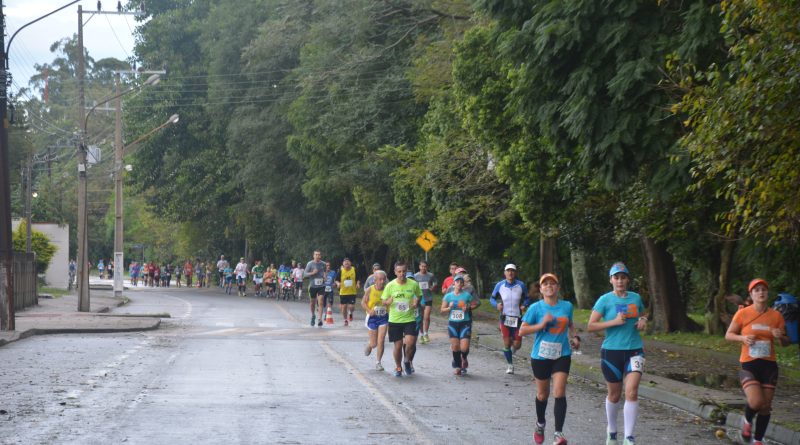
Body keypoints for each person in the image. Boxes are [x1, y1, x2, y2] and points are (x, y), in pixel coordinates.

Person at [587, 262, 648, 445]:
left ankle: (628, 437)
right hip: (611, 352)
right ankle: (612, 431)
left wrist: (643, 320)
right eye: (616, 277)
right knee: (614, 395)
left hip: (635, 350)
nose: (620, 281)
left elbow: (644, 314)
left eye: (623, 277)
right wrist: (612, 322)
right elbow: (591, 326)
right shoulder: (604, 300)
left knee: (632, 391)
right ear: (611, 280)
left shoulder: (635, 298)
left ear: (628, 280)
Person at [725, 278, 790, 445]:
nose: (761, 292)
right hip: (749, 363)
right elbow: (729, 335)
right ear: (751, 295)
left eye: (763, 289)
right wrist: (743, 338)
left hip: (769, 365)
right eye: (757, 290)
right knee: (756, 402)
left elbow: (786, 342)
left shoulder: (776, 316)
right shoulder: (743, 313)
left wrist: (780, 336)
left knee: (766, 406)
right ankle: (746, 422)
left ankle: (758, 440)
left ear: (767, 293)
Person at [520, 273, 579, 445]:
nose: (549, 286)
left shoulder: (567, 306)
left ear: (558, 287)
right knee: (542, 394)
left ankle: (558, 434)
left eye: (552, 283)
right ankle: (540, 424)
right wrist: (541, 325)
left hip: (562, 355)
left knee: (559, 392)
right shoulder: (535, 308)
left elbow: (570, 324)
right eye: (545, 284)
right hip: (540, 357)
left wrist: (575, 337)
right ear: (541, 289)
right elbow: (522, 331)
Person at [381, 261, 422, 377]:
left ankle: (407, 361)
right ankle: (398, 367)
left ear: (407, 270)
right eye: (399, 271)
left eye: (404, 271)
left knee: (410, 343)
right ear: (395, 272)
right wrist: (387, 302)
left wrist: (416, 301)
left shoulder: (413, 284)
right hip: (395, 320)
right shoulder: (390, 285)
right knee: (398, 346)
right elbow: (383, 300)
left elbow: (419, 295)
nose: (402, 274)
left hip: (409, 319)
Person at [490, 263, 530, 374]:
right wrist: (496, 305)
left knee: (517, 344)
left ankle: (510, 353)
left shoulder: (521, 285)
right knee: (507, 343)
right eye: (508, 271)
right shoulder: (500, 285)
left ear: (515, 273)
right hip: (505, 318)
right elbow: (492, 299)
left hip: (518, 318)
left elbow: (527, 298)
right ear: (505, 273)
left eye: (512, 271)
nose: (510, 273)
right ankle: (510, 365)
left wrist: (524, 305)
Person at [441, 274, 479, 376]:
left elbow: (475, 303)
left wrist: (468, 307)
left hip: (465, 323)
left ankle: (464, 358)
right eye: (457, 282)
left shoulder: (467, 295)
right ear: (454, 283)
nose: (459, 283)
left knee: (464, 348)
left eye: (461, 282)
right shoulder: (448, 296)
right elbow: (442, 309)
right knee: (455, 346)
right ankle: (458, 366)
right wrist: (449, 308)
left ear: (463, 284)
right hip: (453, 323)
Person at [362, 270, 389, 371]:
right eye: (380, 279)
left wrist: (388, 303)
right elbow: (363, 303)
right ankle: (370, 344)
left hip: (383, 317)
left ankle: (378, 362)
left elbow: (389, 301)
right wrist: (369, 311)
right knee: (374, 344)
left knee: (381, 340)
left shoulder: (387, 289)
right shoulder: (370, 289)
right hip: (372, 318)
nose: (382, 281)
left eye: (384, 279)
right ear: (375, 280)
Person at [415, 261, 437, 344]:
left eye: (425, 266)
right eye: (422, 266)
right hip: (419, 299)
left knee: (426, 317)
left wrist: (433, 287)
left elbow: (435, 282)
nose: (423, 268)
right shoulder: (415, 276)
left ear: (427, 267)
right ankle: (421, 335)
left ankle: (426, 333)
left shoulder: (430, 275)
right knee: (420, 318)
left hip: (428, 298)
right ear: (419, 266)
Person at [304, 251, 326, 326]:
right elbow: (305, 274)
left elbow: (325, 271)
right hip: (312, 286)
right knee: (312, 303)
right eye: (316, 254)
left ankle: (320, 319)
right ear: (313, 256)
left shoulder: (323, 264)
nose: (317, 256)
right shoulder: (310, 264)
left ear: (320, 256)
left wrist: (325, 276)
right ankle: (313, 315)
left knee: (321, 301)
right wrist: (312, 273)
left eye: (319, 255)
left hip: (321, 285)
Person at [336, 257, 360, 326]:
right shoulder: (341, 271)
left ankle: (350, 313)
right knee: (344, 307)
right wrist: (338, 283)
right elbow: (336, 280)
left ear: (350, 263)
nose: (346, 263)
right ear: (343, 264)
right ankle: (345, 320)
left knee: (351, 307)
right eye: (345, 262)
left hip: (352, 292)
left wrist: (358, 283)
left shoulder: (354, 269)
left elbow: (358, 278)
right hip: (343, 292)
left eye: (348, 262)